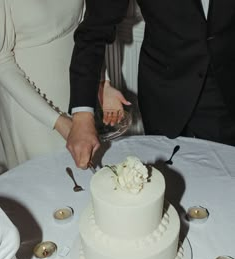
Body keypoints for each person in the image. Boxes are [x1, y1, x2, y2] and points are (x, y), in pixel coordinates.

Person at [67, 0, 235, 168]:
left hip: (225, 88)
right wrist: (82, 116)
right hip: (164, 91)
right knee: (165, 178)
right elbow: (94, 29)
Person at [0, 0, 129, 170]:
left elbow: (89, 28)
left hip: (76, 94)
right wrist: (59, 122)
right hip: (30, 110)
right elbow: (2, 62)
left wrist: (102, 83)